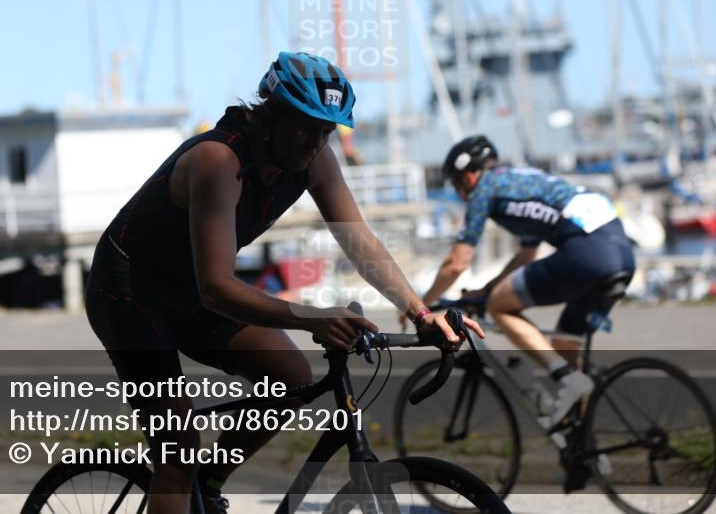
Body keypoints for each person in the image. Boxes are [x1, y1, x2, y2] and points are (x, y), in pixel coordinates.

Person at [85, 51, 484, 514]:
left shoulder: (314, 159)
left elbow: (360, 243)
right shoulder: (218, 161)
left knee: (290, 376)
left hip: (187, 290)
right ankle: (188, 480)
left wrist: (420, 312)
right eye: (305, 127)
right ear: (271, 114)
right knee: (178, 452)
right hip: (129, 291)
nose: (315, 143)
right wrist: (312, 317)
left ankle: (208, 488)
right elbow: (216, 288)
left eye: (326, 131)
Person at [420, 135, 635, 427]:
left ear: (469, 176)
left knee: (499, 306)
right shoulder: (519, 181)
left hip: (587, 252)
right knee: (563, 345)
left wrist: (422, 304)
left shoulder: (484, 189)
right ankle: (582, 442)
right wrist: (487, 288)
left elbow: (456, 264)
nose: (459, 194)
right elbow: (526, 255)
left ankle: (567, 378)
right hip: (621, 253)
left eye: (456, 185)